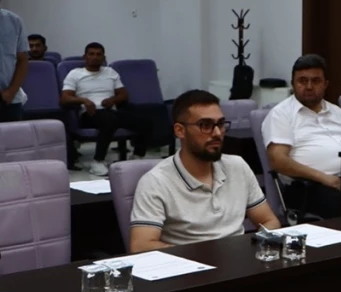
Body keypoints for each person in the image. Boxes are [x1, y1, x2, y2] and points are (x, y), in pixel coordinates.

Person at [130, 90, 279, 252]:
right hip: (188, 264)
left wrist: (257, 246)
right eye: (205, 125)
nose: (217, 133)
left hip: (238, 259)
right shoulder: (155, 182)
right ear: (180, 130)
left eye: (220, 124)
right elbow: (141, 246)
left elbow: (269, 221)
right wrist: (200, 256)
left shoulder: (237, 166)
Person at [263, 54, 341, 219]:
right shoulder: (281, 114)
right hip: (307, 187)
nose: (309, 86)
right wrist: (326, 179)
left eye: (316, 81)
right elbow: (278, 161)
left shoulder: (336, 111)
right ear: (293, 84)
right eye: (302, 81)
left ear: (326, 84)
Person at [60, 42, 152, 175]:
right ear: (84, 57)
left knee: (144, 120)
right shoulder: (75, 74)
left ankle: (137, 157)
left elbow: (123, 94)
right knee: (109, 120)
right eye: (91, 54)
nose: (95, 57)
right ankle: (97, 161)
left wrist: (113, 100)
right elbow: (65, 98)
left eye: (99, 54)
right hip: (89, 113)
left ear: (103, 57)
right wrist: (84, 101)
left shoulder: (110, 72)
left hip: (111, 111)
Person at [0, 0, 29, 123]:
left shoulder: (14, 21)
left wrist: (11, 92)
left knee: (14, 137)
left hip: (8, 99)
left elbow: (22, 60)